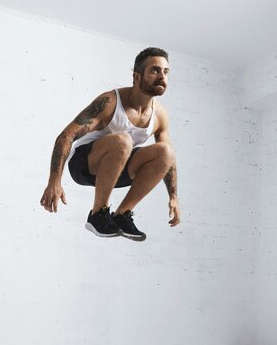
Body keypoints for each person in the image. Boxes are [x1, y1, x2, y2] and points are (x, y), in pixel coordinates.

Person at [39, 47, 180, 241]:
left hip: (119, 171)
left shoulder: (160, 115)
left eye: (165, 72)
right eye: (155, 70)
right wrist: (54, 181)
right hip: (84, 165)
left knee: (166, 151)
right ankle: (98, 214)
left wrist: (173, 196)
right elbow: (66, 136)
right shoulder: (110, 102)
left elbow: (168, 162)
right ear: (137, 77)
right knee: (123, 140)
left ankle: (122, 215)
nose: (162, 77)